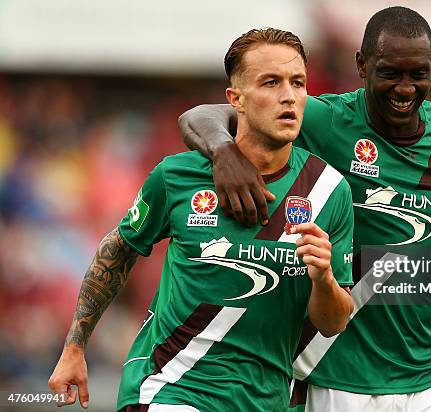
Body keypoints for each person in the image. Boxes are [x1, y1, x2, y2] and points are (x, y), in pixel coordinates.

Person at [178, 6, 431, 412]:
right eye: (390, 73)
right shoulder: (325, 120)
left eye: (418, 74)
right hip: (336, 374)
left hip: (427, 376)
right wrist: (223, 151)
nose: (405, 88)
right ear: (362, 65)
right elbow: (202, 115)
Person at [48, 28, 355, 412]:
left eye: (298, 83)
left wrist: (323, 278)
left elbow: (333, 322)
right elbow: (119, 248)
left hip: (264, 400)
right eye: (271, 82)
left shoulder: (329, 190)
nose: (288, 96)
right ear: (235, 99)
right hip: (171, 387)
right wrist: (74, 348)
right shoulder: (177, 176)